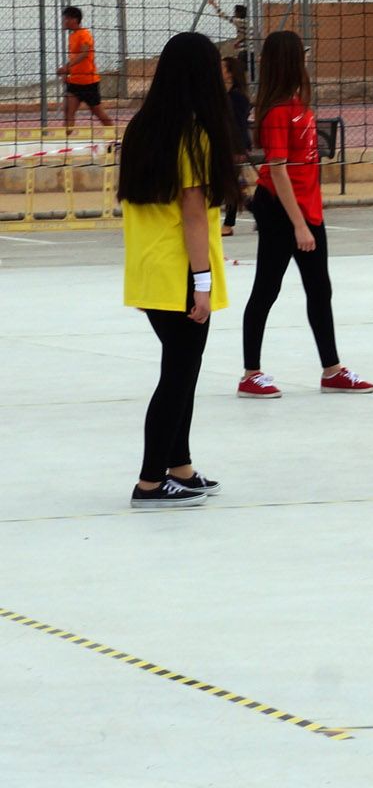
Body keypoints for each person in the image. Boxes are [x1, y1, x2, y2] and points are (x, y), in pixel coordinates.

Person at [119, 32, 241, 507]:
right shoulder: (192, 134)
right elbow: (193, 216)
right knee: (178, 377)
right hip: (181, 276)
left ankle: (180, 467)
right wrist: (203, 284)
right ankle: (150, 482)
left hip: (149, 272)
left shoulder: (143, 127)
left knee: (182, 373)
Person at [236, 30, 373, 400]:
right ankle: (250, 374)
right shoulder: (279, 111)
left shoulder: (298, 104)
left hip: (306, 208)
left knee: (319, 289)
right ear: (290, 60)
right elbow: (278, 169)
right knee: (267, 288)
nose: (308, 56)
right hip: (282, 209)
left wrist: (309, 215)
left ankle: (332, 370)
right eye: (303, 53)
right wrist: (298, 223)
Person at [58, 5, 115, 130]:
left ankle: (117, 137)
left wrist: (66, 67)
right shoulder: (72, 36)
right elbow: (74, 58)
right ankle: (66, 142)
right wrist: (66, 72)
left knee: (99, 114)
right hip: (74, 83)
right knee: (68, 112)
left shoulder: (84, 34)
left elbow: (84, 54)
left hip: (89, 83)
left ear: (74, 20)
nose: (64, 21)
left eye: (66, 18)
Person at [222, 55, 251, 238]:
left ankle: (228, 224)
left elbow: (239, 125)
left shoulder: (238, 98)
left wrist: (239, 150)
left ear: (230, 74)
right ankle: (260, 212)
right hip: (226, 146)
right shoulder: (225, 95)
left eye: (222, 68)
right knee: (234, 185)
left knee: (232, 185)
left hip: (235, 147)